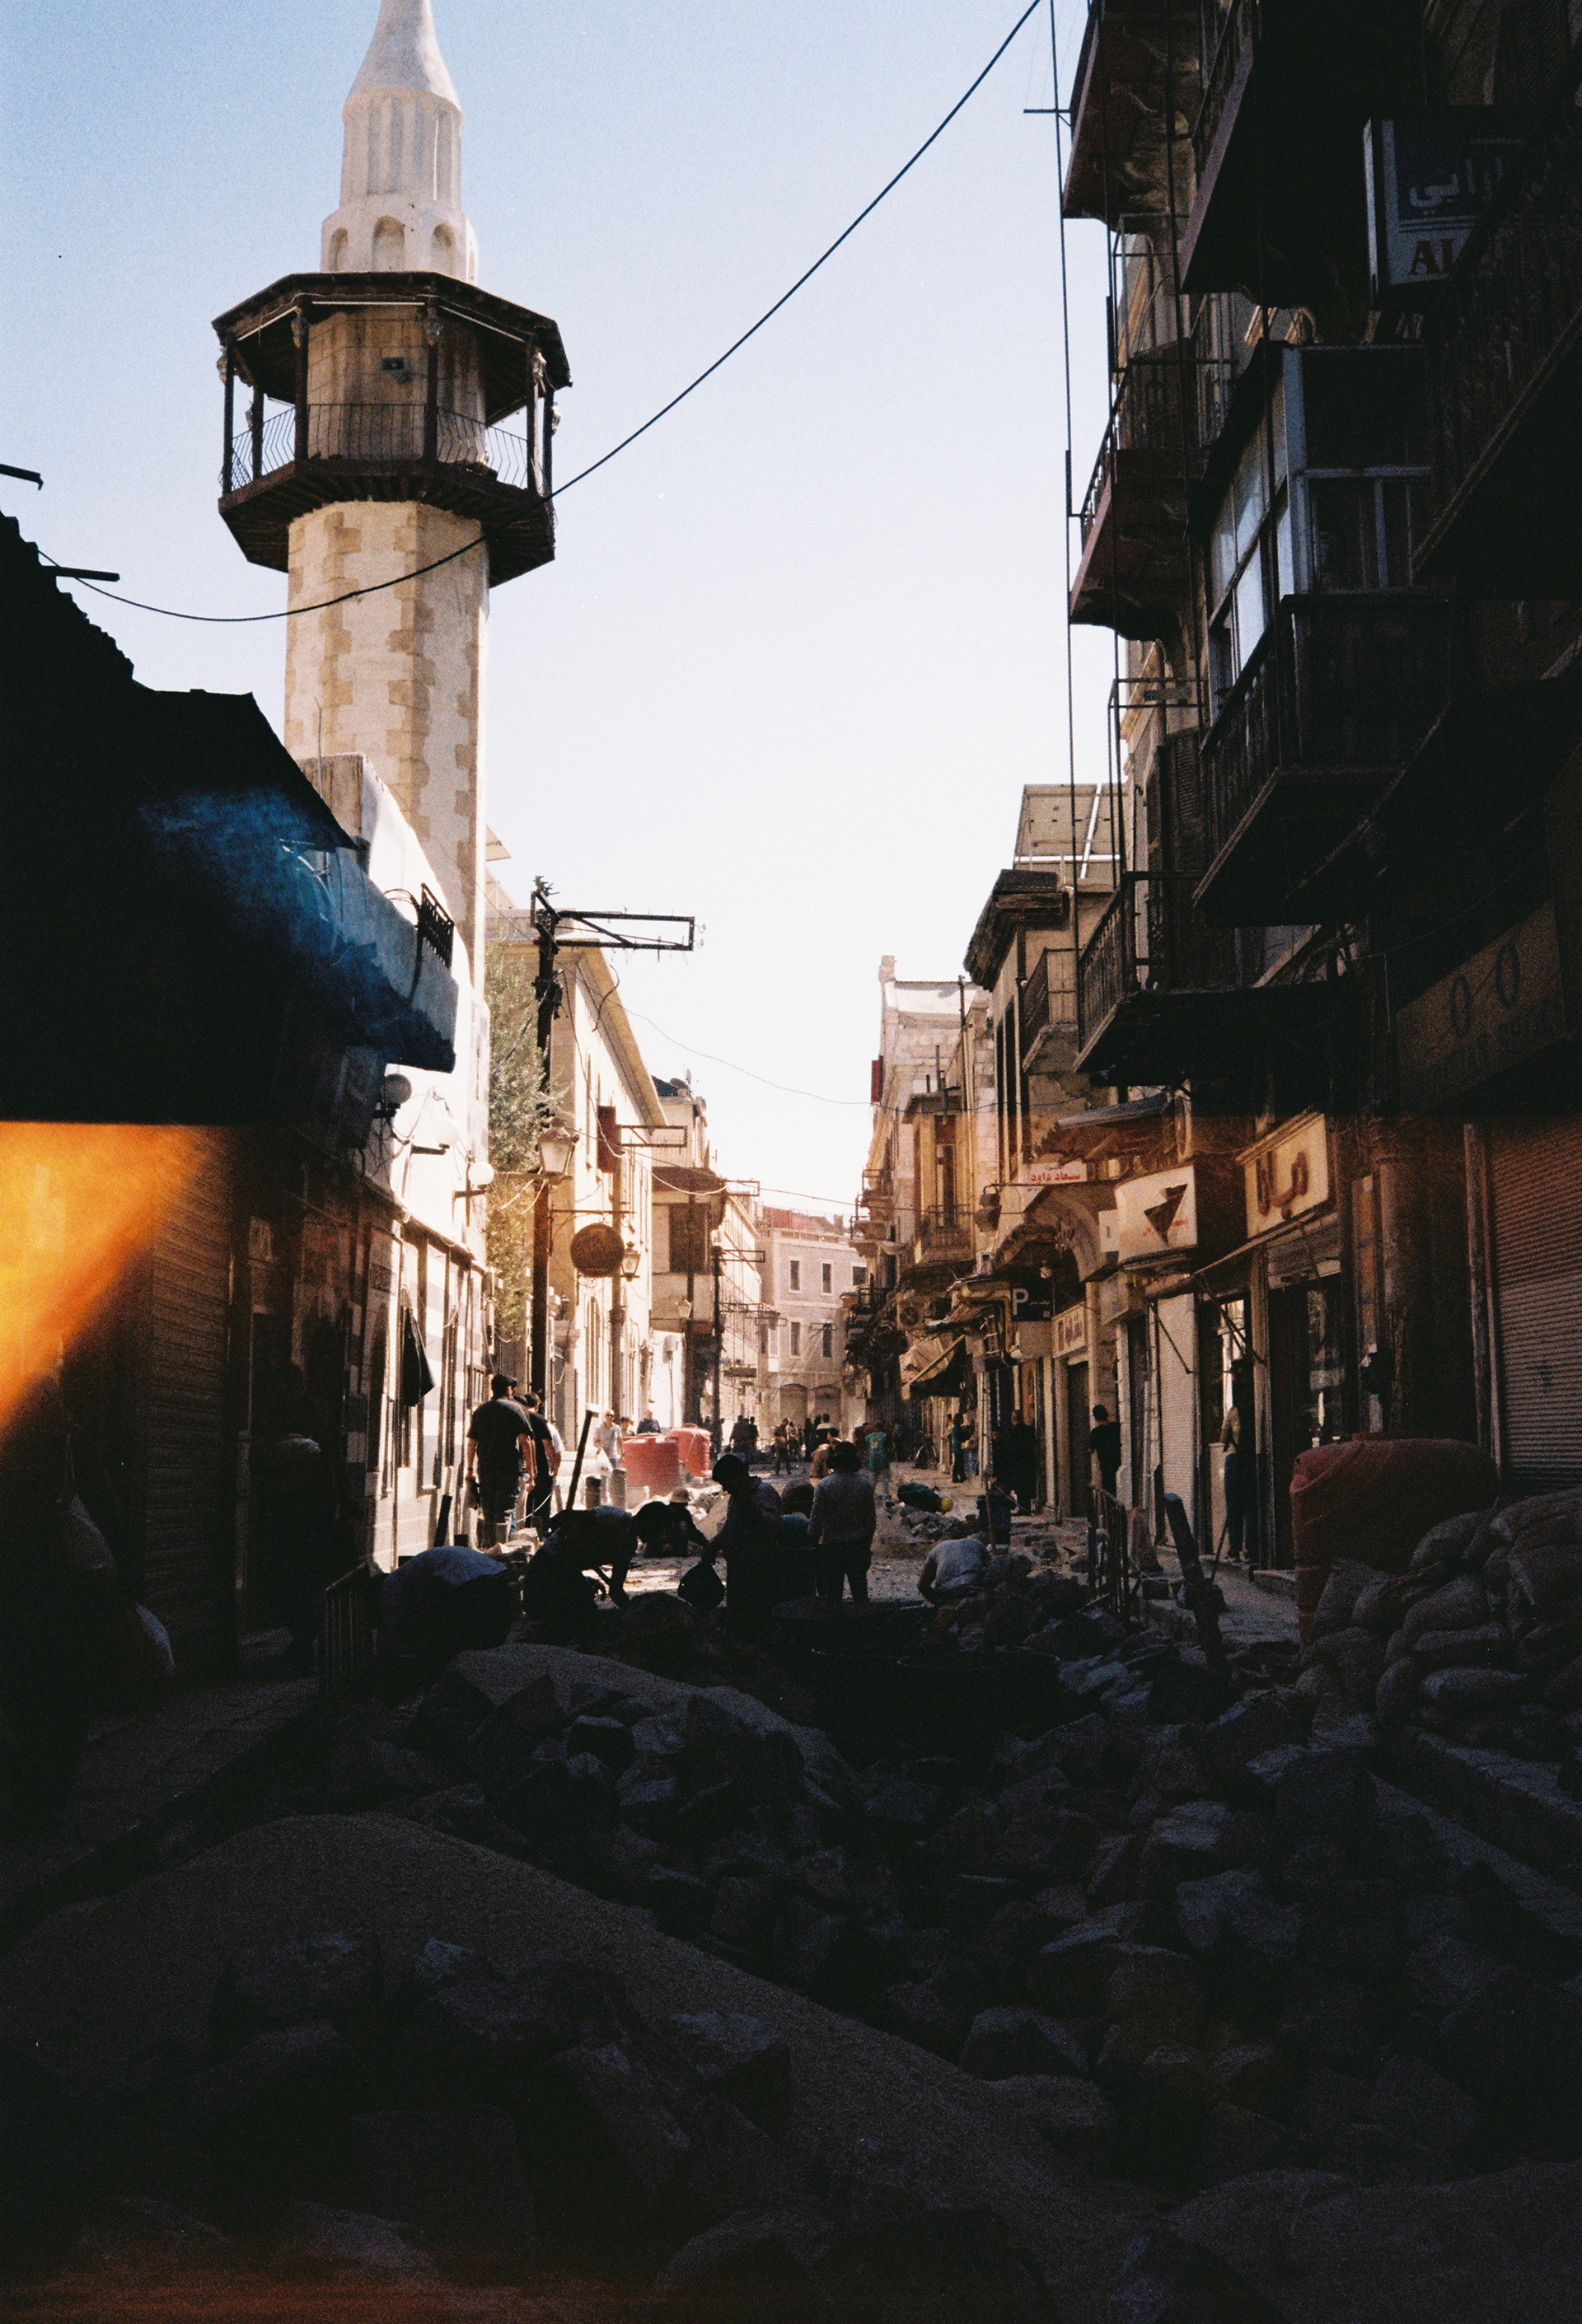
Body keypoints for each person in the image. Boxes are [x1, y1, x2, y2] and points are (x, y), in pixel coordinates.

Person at [710, 1452, 783, 1636]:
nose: (725, 1488)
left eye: (726, 1482)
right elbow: (730, 1527)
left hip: (759, 1566)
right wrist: (713, 1546)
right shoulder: (737, 1497)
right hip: (738, 1566)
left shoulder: (763, 1493)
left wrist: (751, 1508)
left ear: (738, 1477)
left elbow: (772, 1524)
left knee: (757, 1616)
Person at [466, 1374, 534, 1547]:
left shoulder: (481, 1411)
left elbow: (472, 1443)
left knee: (488, 1509)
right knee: (505, 1510)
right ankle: (500, 1550)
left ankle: (488, 1548)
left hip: (486, 1467)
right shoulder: (517, 1409)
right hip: (508, 1467)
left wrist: (469, 1470)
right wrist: (531, 1472)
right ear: (508, 1389)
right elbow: (525, 1441)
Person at [807, 1441, 877, 1604]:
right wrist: (867, 1548)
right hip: (858, 1546)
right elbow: (870, 1522)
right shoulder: (864, 1485)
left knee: (833, 1595)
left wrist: (813, 1546)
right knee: (860, 1593)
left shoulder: (824, 1485)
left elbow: (816, 1520)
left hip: (833, 1547)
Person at [918, 1525, 990, 1606]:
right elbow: (991, 1572)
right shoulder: (977, 1543)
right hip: (973, 1589)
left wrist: (938, 1603)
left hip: (948, 1593)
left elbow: (922, 1585)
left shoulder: (938, 1548)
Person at [521, 1389, 559, 1532]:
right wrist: (554, 1464)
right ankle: (540, 1531)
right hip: (540, 1466)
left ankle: (526, 1528)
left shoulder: (519, 1417)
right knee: (542, 1502)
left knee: (526, 1501)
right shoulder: (540, 1420)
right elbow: (548, 1445)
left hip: (521, 1465)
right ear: (537, 1405)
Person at [1222, 1382, 1248, 1564]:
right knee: (1249, 1505)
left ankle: (1234, 1548)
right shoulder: (1253, 1409)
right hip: (1249, 1460)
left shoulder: (1233, 1412)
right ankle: (1251, 1548)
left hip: (1234, 1458)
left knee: (1233, 1505)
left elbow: (1222, 1437)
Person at [1004, 1408, 1040, 1517]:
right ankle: (1026, 1507)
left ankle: (1023, 1508)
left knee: (1020, 1487)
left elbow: (1010, 1449)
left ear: (1013, 1419)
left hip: (1018, 1464)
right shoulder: (1029, 1430)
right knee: (1027, 1485)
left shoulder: (1012, 1432)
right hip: (1029, 1462)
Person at [1088, 1404, 1122, 1503]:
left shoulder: (1095, 1432)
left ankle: (1111, 1510)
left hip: (1105, 1464)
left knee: (1109, 1488)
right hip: (1117, 1460)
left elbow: (1091, 1450)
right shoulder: (1116, 1427)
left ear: (1095, 1418)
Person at [864, 1421, 892, 1507]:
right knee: (885, 1482)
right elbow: (889, 1448)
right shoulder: (885, 1436)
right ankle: (886, 1500)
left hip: (872, 1462)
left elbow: (867, 1449)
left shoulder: (868, 1437)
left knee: (872, 1482)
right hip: (882, 1461)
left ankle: (868, 1500)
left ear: (874, 1428)